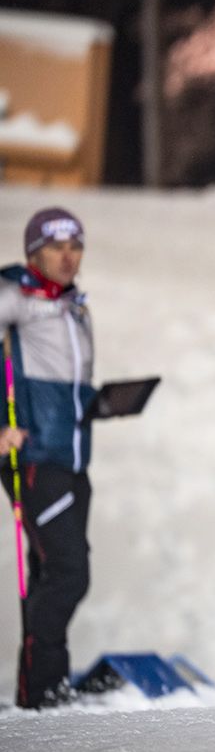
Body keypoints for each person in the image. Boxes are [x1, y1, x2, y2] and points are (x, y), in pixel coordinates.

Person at [0, 208, 97, 709]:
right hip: (37, 458)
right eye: (56, 248)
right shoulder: (16, 295)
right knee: (67, 572)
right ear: (33, 253)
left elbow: (60, 385)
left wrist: (97, 404)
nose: (67, 256)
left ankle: (40, 690)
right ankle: (42, 691)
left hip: (72, 458)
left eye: (75, 247)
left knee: (49, 573)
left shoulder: (71, 305)